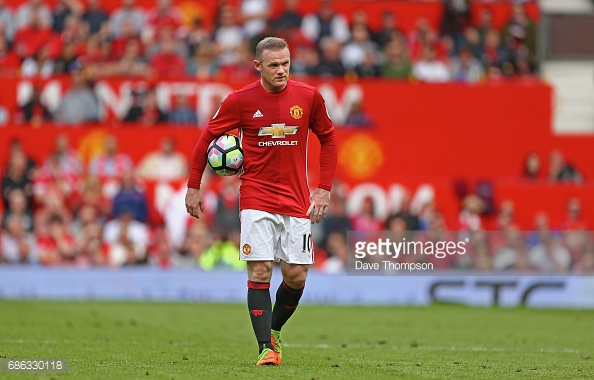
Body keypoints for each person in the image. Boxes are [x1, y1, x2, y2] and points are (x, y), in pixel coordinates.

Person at [184, 37, 337, 366]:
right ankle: (265, 347)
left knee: (295, 275)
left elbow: (328, 137)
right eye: (273, 65)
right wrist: (193, 186)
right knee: (261, 268)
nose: (281, 70)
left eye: (285, 63)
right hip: (256, 195)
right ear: (258, 66)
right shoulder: (239, 100)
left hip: (297, 199)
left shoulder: (309, 97)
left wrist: (323, 188)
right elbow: (207, 139)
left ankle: (274, 330)